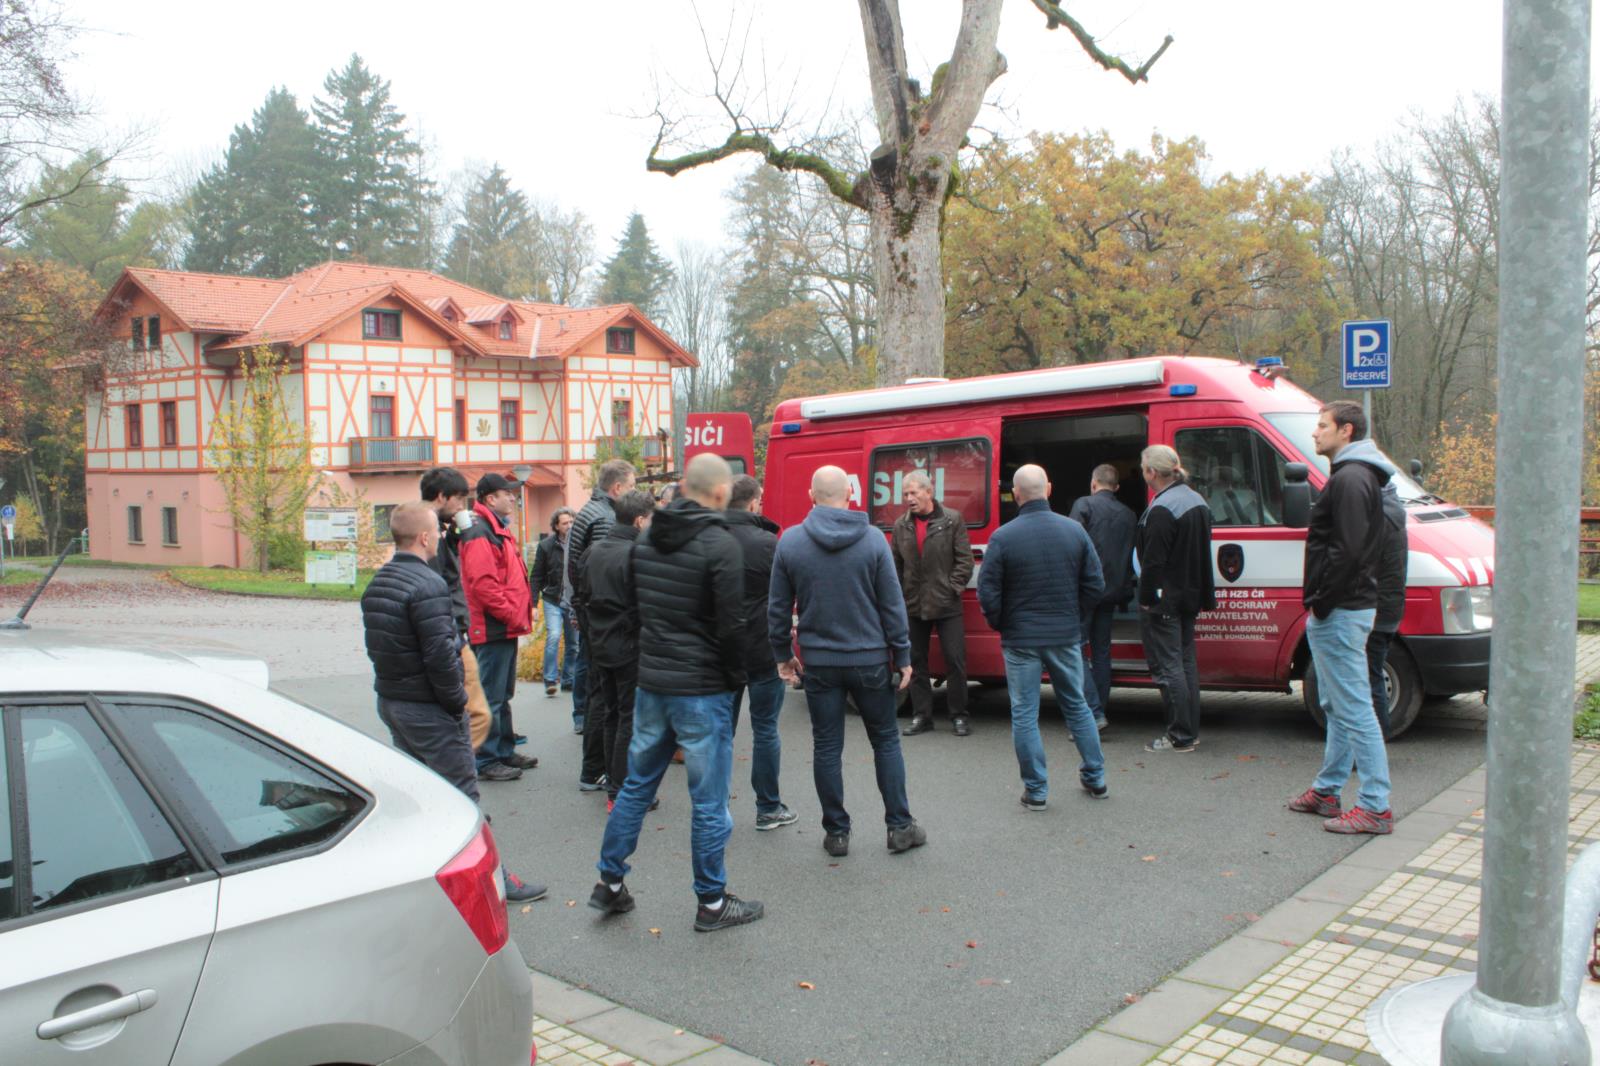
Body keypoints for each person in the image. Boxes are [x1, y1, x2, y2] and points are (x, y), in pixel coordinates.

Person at [590, 455, 763, 932]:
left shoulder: (647, 539)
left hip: (653, 682)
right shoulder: (719, 545)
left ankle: (610, 882)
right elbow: (732, 625)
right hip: (701, 687)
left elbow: (639, 609)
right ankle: (711, 902)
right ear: (722, 493)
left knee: (635, 787)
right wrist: (735, 677)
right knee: (708, 801)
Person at [361, 501, 544, 902]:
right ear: (425, 537)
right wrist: (456, 702)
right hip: (429, 708)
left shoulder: (379, 583)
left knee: (422, 795)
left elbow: (378, 648)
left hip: (394, 701)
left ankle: (425, 876)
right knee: (463, 798)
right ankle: (493, 880)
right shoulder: (428, 586)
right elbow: (441, 657)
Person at [769, 465, 926, 859]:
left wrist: (783, 655)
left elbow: (776, 608)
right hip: (870, 658)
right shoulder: (873, 539)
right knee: (886, 741)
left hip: (820, 662)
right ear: (850, 495)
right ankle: (899, 827)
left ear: (811, 494)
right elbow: (892, 605)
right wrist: (903, 654)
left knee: (826, 746)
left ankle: (837, 833)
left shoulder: (790, 541)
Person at [1288, 401, 1396, 835]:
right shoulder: (1355, 475)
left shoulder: (1351, 478)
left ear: (1346, 431)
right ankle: (1328, 790)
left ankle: (1375, 806)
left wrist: (1322, 599)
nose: (1315, 434)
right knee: (1337, 703)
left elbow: (1347, 549)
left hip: (1343, 608)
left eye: (1322, 426)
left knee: (1354, 708)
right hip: (1347, 606)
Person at [977, 465, 1108, 810]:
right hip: (1065, 634)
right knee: (1078, 707)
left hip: (1020, 639)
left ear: (1016, 494)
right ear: (1048, 489)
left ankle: (1036, 791)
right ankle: (1095, 778)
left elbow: (988, 593)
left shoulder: (1002, 537)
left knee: (1024, 714)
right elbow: (1095, 585)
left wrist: (1002, 623)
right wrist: (1074, 617)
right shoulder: (1075, 531)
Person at [575, 489, 656, 812]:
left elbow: (580, 599)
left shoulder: (593, 550)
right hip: (629, 646)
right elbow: (644, 607)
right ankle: (622, 791)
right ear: (639, 520)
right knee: (628, 719)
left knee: (611, 715)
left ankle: (614, 785)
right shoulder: (638, 554)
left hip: (599, 644)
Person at [725, 474, 797, 830]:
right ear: (754, 502)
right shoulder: (769, 543)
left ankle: (716, 808)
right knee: (766, 728)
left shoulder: (706, 541)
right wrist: (786, 648)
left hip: (719, 652)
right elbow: (784, 601)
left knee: (721, 732)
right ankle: (768, 807)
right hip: (762, 647)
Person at [1136, 445, 1216, 754]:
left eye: (1144, 469)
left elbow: (1154, 563)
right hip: (1189, 596)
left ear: (1152, 473)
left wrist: (1147, 598)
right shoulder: (1196, 500)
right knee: (1185, 663)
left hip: (1165, 600)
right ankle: (1189, 731)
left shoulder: (1162, 509)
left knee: (1169, 667)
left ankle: (1179, 735)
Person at [459, 472, 536, 782]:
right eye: (508, 494)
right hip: (493, 626)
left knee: (501, 693)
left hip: (503, 625)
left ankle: (503, 750)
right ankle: (488, 759)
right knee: (490, 694)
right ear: (491, 498)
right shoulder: (480, 531)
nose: (513, 498)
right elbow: (483, 584)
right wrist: (509, 614)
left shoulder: (493, 528)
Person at [567, 459, 638, 791]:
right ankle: (599, 770)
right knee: (607, 702)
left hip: (593, 622)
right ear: (618, 488)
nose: (635, 491)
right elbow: (604, 576)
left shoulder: (588, 511)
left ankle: (597, 770)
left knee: (602, 698)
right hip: (607, 628)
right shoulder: (606, 520)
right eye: (633, 485)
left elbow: (578, 571)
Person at [891, 470, 975, 737]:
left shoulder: (952, 520)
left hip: (946, 603)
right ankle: (921, 716)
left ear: (929, 492)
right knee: (915, 662)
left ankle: (959, 716)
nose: (909, 498)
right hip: (913, 604)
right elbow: (896, 565)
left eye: (914, 492)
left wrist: (952, 588)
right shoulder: (900, 525)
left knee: (955, 661)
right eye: (905, 494)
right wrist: (901, 595)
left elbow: (965, 561)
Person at [419, 467, 495, 753]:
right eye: (460, 499)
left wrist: (454, 537)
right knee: (477, 714)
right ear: (442, 496)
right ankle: (451, 772)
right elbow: (438, 585)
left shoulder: (436, 528)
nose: (462, 506)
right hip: (449, 633)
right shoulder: (426, 533)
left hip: (448, 630)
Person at [1068, 464, 1138, 731]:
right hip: (1112, 592)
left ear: (1093, 484)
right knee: (1101, 653)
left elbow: (1072, 545)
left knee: (1075, 649)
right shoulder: (1129, 514)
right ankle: (1100, 710)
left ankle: (1093, 713)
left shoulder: (1083, 505)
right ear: (1116, 487)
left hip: (1084, 592)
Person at [1367, 482, 1408, 736]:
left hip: (1374, 609)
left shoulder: (1376, 513)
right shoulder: (1392, 508)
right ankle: (1373, 747)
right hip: (1387, 606)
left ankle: (1372, 749)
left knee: (1368, 683)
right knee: (1372, 679)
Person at [531, 508, 577, 699]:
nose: (569, 526)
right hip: (552, 599)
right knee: (554, 636)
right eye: (565, 523)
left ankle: (568, 679)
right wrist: (533, 604)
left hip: (572, 600)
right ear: (556, 526)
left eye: (571, 522)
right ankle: (550, 680)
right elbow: (535, 577)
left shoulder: (577, 544)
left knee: (574, 644)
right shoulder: (546, 546)